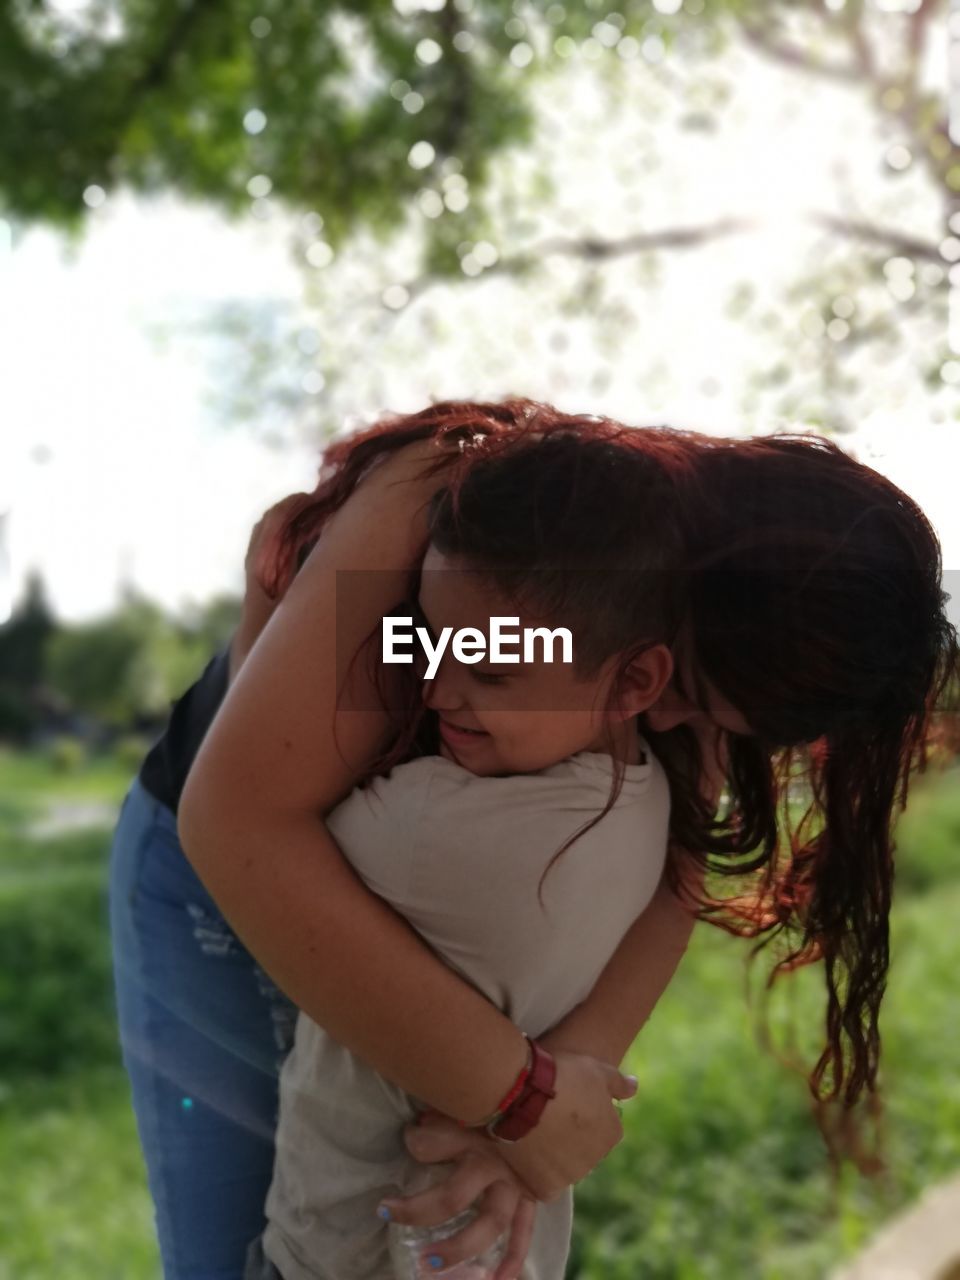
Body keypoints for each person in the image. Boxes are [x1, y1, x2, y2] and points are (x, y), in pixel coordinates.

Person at [110, 399, 959, 1280]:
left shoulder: (685, 631)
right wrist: (522, 1100)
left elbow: (677, 878)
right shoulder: (430, 504)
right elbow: (241, 825)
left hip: (388, 870)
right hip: (220, 867)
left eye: (704, 720)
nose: (659, 720)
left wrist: (557, 1087)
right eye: (686, 697)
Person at [238, 424, 687, 1280]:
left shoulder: (428, 829)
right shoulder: (652, 798)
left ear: (635, 682)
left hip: (345, 1255)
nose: (439, 686)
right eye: (432, 641)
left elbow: (256, 838)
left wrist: (268, 607)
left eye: (492, 669)